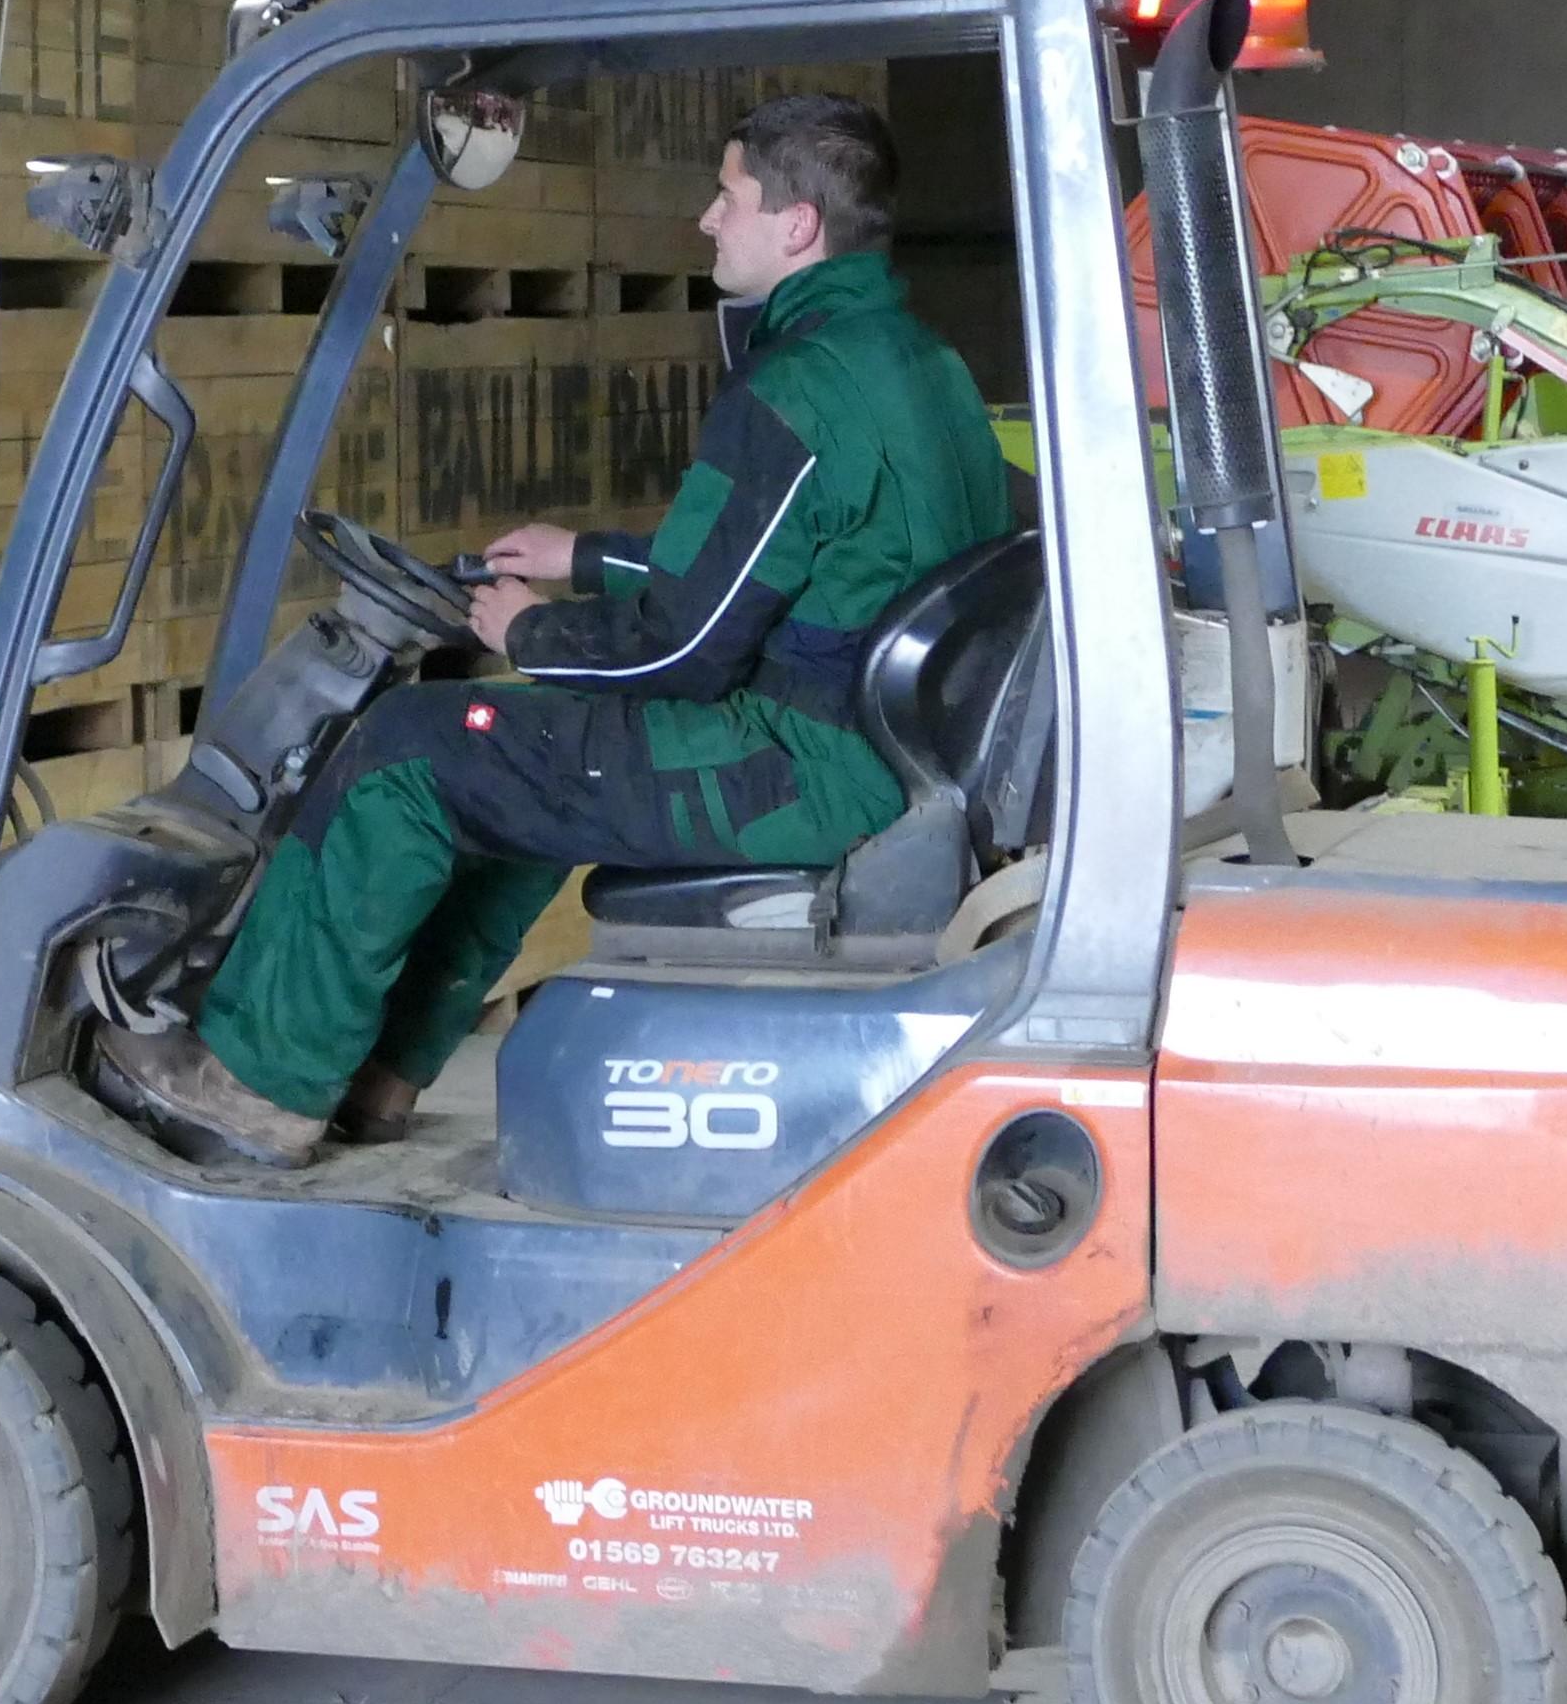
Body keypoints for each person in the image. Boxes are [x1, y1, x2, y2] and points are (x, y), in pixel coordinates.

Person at [86, 92, 1017, 1169]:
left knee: (407, 749)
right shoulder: (917, 365)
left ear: (798, 227)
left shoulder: (798, 387)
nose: (708, 221)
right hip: (871, 743)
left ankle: (252, 1084)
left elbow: (687, 645)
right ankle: (380, 1078)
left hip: (796, 768)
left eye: (728, 197)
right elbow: (776, 572)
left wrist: (532, 635)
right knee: (520, 763)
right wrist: (583, 558)